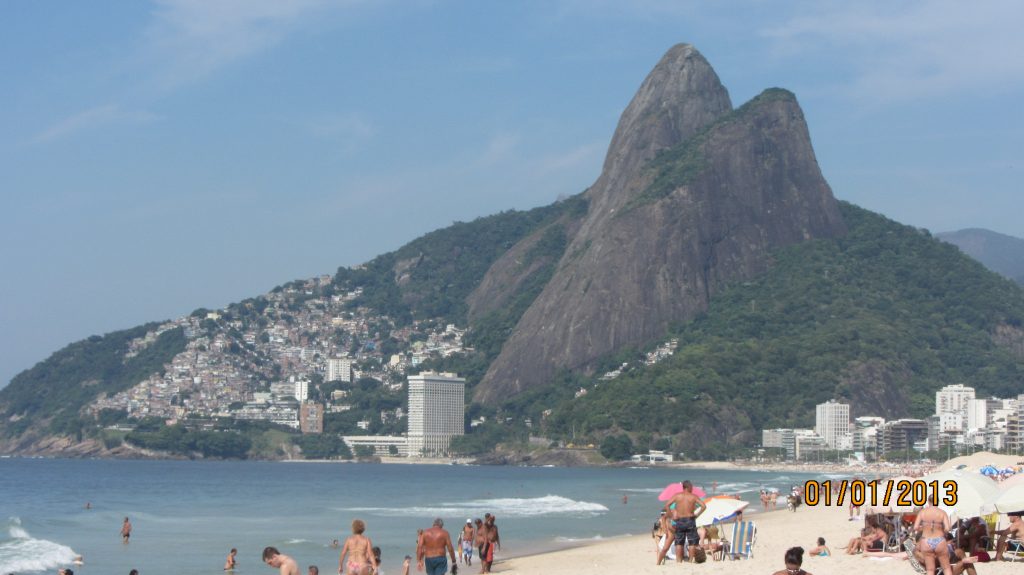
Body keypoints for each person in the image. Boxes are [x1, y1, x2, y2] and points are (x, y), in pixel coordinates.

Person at [656, 480, 706, 565]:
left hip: (680, 521)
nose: (692, 489)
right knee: (692, 542)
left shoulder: (677, 496)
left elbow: (667, 505)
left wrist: (671, 515)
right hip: (690, 520)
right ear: (687, 487)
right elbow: (703, 506)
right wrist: (697, 515)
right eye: (691, 487)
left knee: (679, 542)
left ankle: (679, 561)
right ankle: (690, 561)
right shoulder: (693, 496)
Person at [913, 505, 953, 575]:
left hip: (926, 540)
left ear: (928, 502)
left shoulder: (922, 512)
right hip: (940, 539)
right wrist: (940, 530)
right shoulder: (942, 512)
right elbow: (947, 528)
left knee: (930, 570)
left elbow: (915, 527)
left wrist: (924, 528)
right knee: (946, 568)